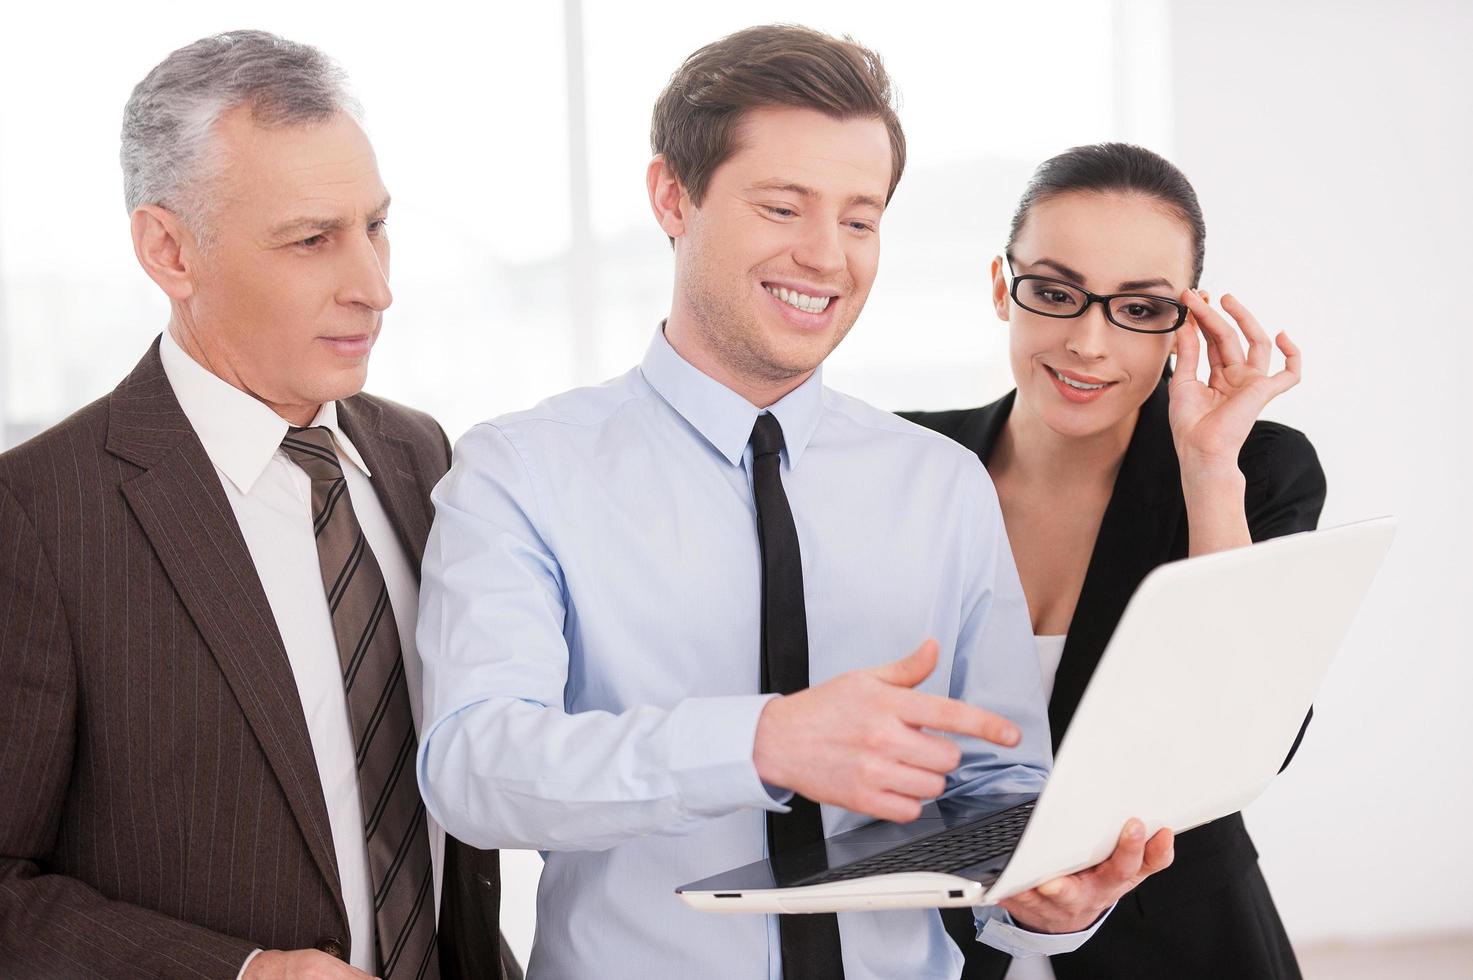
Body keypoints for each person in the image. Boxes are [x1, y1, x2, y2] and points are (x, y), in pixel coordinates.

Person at [415, 26, 1172, 980]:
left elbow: (999, 789)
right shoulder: (519, 471)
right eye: (783, 206)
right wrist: (760, 742)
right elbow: (473, 768)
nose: (825, 256)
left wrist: (1046, 897)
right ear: (671, 198)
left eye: (859, 219)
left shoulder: (938, 483)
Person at [0, 31, 516, 980]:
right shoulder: (35, 517)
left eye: (375, 226)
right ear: (169, 250)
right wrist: (237, 974)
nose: (374, 286)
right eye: (312, 240)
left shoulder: (417, 453)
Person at [902, 142, 1325, 980]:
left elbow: (1248, 744)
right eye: (1054, 294)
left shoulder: (1252, 468)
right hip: (937, 942)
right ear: (1001, 287)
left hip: (1176, 946)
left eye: (1138, 309)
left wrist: (1209, 472)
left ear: (1185, 320)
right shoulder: (906, 462)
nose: (1089, 343)